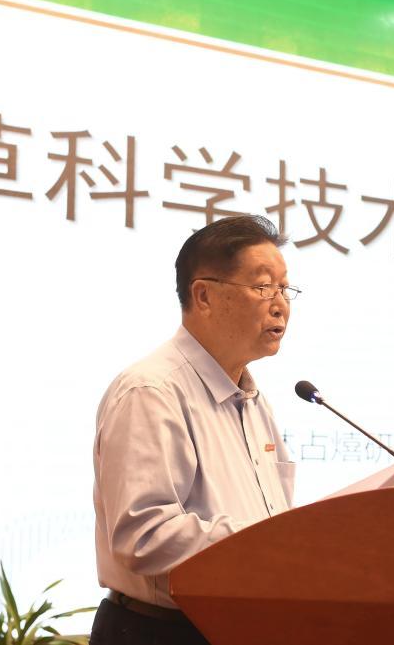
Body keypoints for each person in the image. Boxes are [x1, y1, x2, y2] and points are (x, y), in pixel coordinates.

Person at [90, 215, 299, 645]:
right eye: (264, 287)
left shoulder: (254, 401)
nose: (280, 304)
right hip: (160, 632)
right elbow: (143, 535)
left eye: (285, 288)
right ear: (203, 295)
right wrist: (268, 542)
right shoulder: (152, 391)